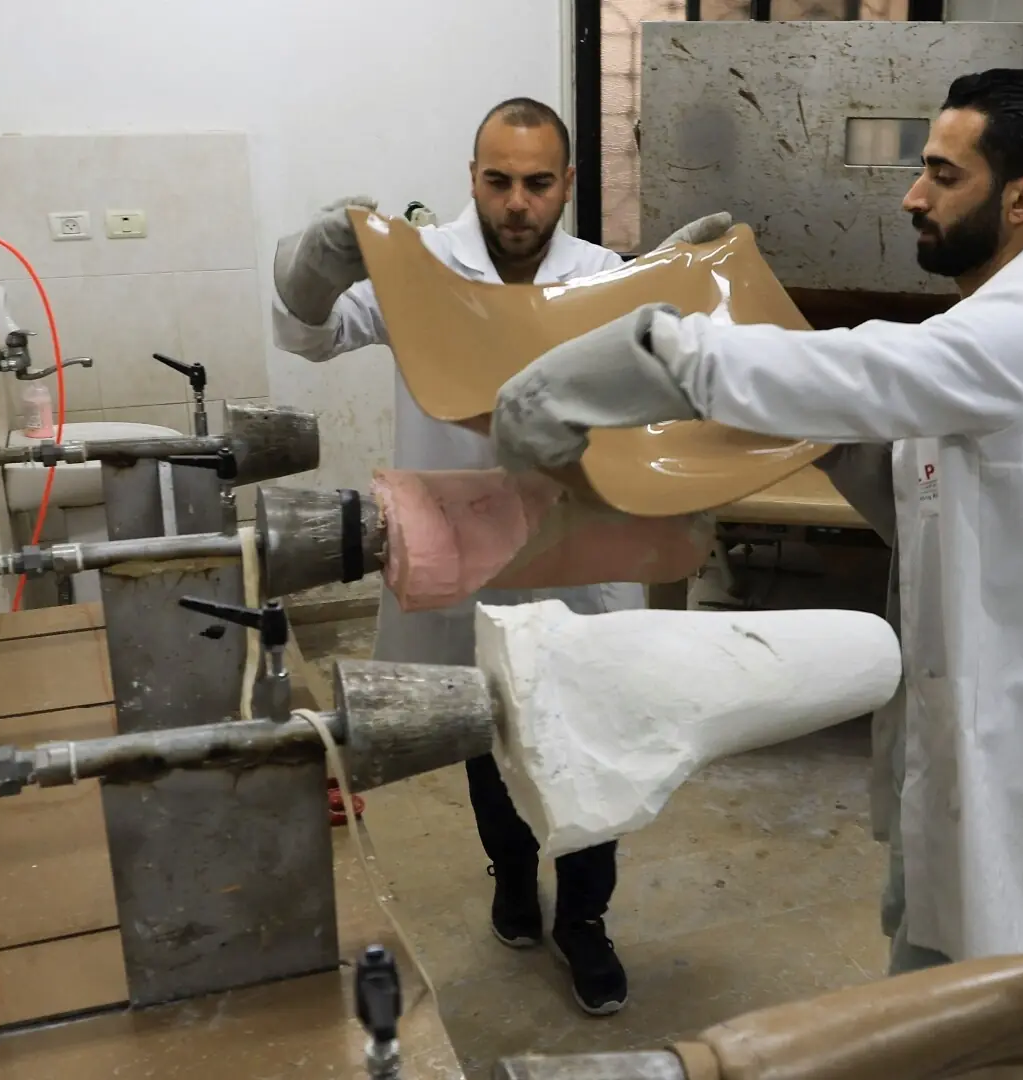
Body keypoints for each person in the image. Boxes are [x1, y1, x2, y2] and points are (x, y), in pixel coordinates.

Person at [489, 68, 1023, 974]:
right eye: (923, 168)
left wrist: (651, 348)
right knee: (945, 976)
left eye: (945, 177)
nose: (914, 196)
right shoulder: (997, 334)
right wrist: (824, 438)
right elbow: (915, 496)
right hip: (978, 722)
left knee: (1021, 1001)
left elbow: (864, 369)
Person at [269, 96, 728, 1015]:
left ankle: (586, 919)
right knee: (483, 730)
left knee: (592, 736)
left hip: (583, 553)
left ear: (567, 184)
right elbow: (310, 336)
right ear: (471, 179)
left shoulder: (600, 275)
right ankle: (513, 874)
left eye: (536, 182)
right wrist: (315, 266)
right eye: (497, 181)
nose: (517, 202)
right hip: (463, 559)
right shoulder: (422, 266)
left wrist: (672, 293)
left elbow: (677, 390)